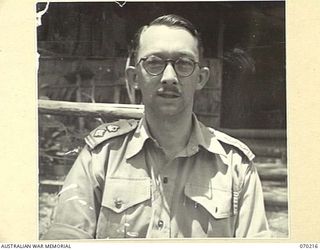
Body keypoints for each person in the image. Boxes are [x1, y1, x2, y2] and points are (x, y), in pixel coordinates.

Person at [42, 14, 270, 239]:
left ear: (201, 78)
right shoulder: (101, 157)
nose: (169, 77)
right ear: (134, 78)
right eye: (154, 63)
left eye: (183, 63)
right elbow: (67, 237)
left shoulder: (234, 165)